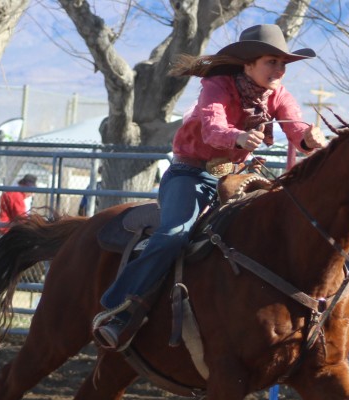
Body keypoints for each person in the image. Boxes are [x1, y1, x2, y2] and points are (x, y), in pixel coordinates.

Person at [92, 24, 328, 351]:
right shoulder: (216, 86)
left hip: (233, 175)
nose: (278, 70)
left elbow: (295, 125)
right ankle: (120, 309)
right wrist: (239, 137)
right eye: (271, 62)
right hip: (190, 174)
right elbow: (213, 127)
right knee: (175, 233)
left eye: (282, 64)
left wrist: (307, 138)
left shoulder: (279, 95)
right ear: (248, 64)